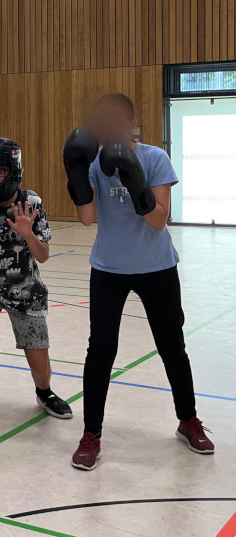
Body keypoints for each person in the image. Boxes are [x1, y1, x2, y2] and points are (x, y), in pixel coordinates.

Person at [65, 93, 213, 470]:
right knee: (100, 349)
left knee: (171, 346)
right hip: (109, 269)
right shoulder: (95, 160)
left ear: (132, 124)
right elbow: (86, 219)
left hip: (156, 266)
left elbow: (159, 219)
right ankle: (91, 433)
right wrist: (76, 174)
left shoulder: (153, 158)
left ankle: (188, 420)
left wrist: (134, 178)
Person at [0, 138, 72, 439]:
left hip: (26, 289)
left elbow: (43, 256)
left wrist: (27, 233)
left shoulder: (31, 202)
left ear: (13, 171)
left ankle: (44, 393)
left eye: (0, 171)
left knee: (40, 364)